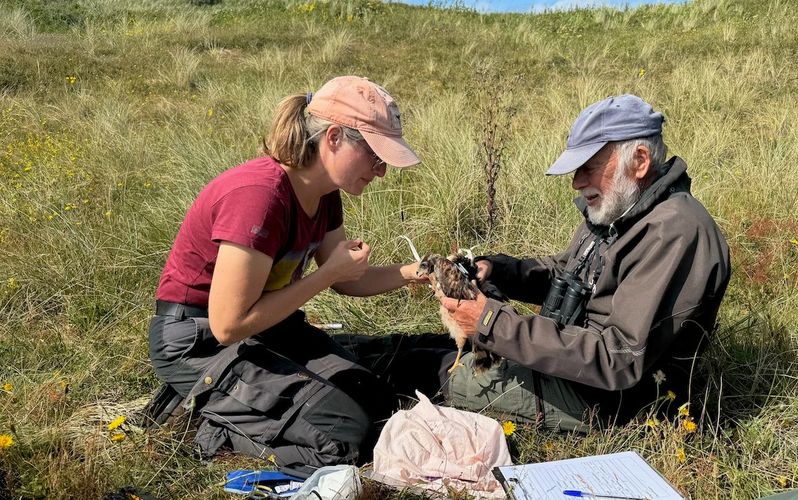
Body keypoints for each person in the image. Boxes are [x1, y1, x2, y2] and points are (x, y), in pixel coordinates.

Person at [147, 76, 425, 476]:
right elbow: (229, 325)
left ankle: (239, 410)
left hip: (265, 329)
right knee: (341, 437)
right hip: (196, 341)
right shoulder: (259, 197)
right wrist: (325, 275)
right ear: (333, 138)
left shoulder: (324, 195)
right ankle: (211, 432)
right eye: (374, 155)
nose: (380, 172)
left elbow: (350, 280)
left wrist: (416, 272)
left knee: (377, 399)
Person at [436, 94, 732, 431]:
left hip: (605, 402)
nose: (577, 182)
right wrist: (500, 271)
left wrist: (492, 323)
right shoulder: (623, 209)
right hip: (568, 365)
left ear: (639, 161)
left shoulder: (674, 233)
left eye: (589, 166)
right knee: (426, 345)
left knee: (428, 367)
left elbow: (616, 359)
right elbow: (569, 276)